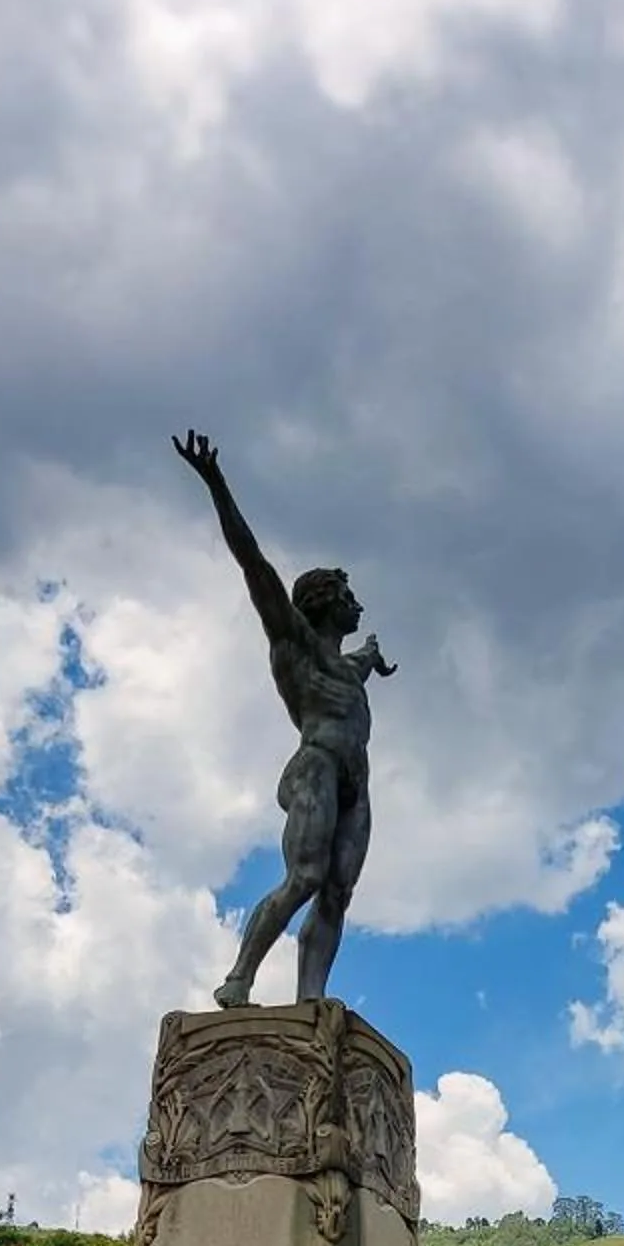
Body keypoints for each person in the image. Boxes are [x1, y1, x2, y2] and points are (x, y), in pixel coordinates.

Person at [172, 428, 395, 1007]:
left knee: (338, 892)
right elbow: (253, 562)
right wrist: (216, 482)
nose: (359, 604)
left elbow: (365, 662)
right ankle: (240, 977)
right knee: (305, 879)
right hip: (315, 767)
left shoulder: (347, 666)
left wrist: (375, 656)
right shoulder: (294, 642)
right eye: (349, 596)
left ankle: (310, 997)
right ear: (323, 600)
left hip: (356, 781)